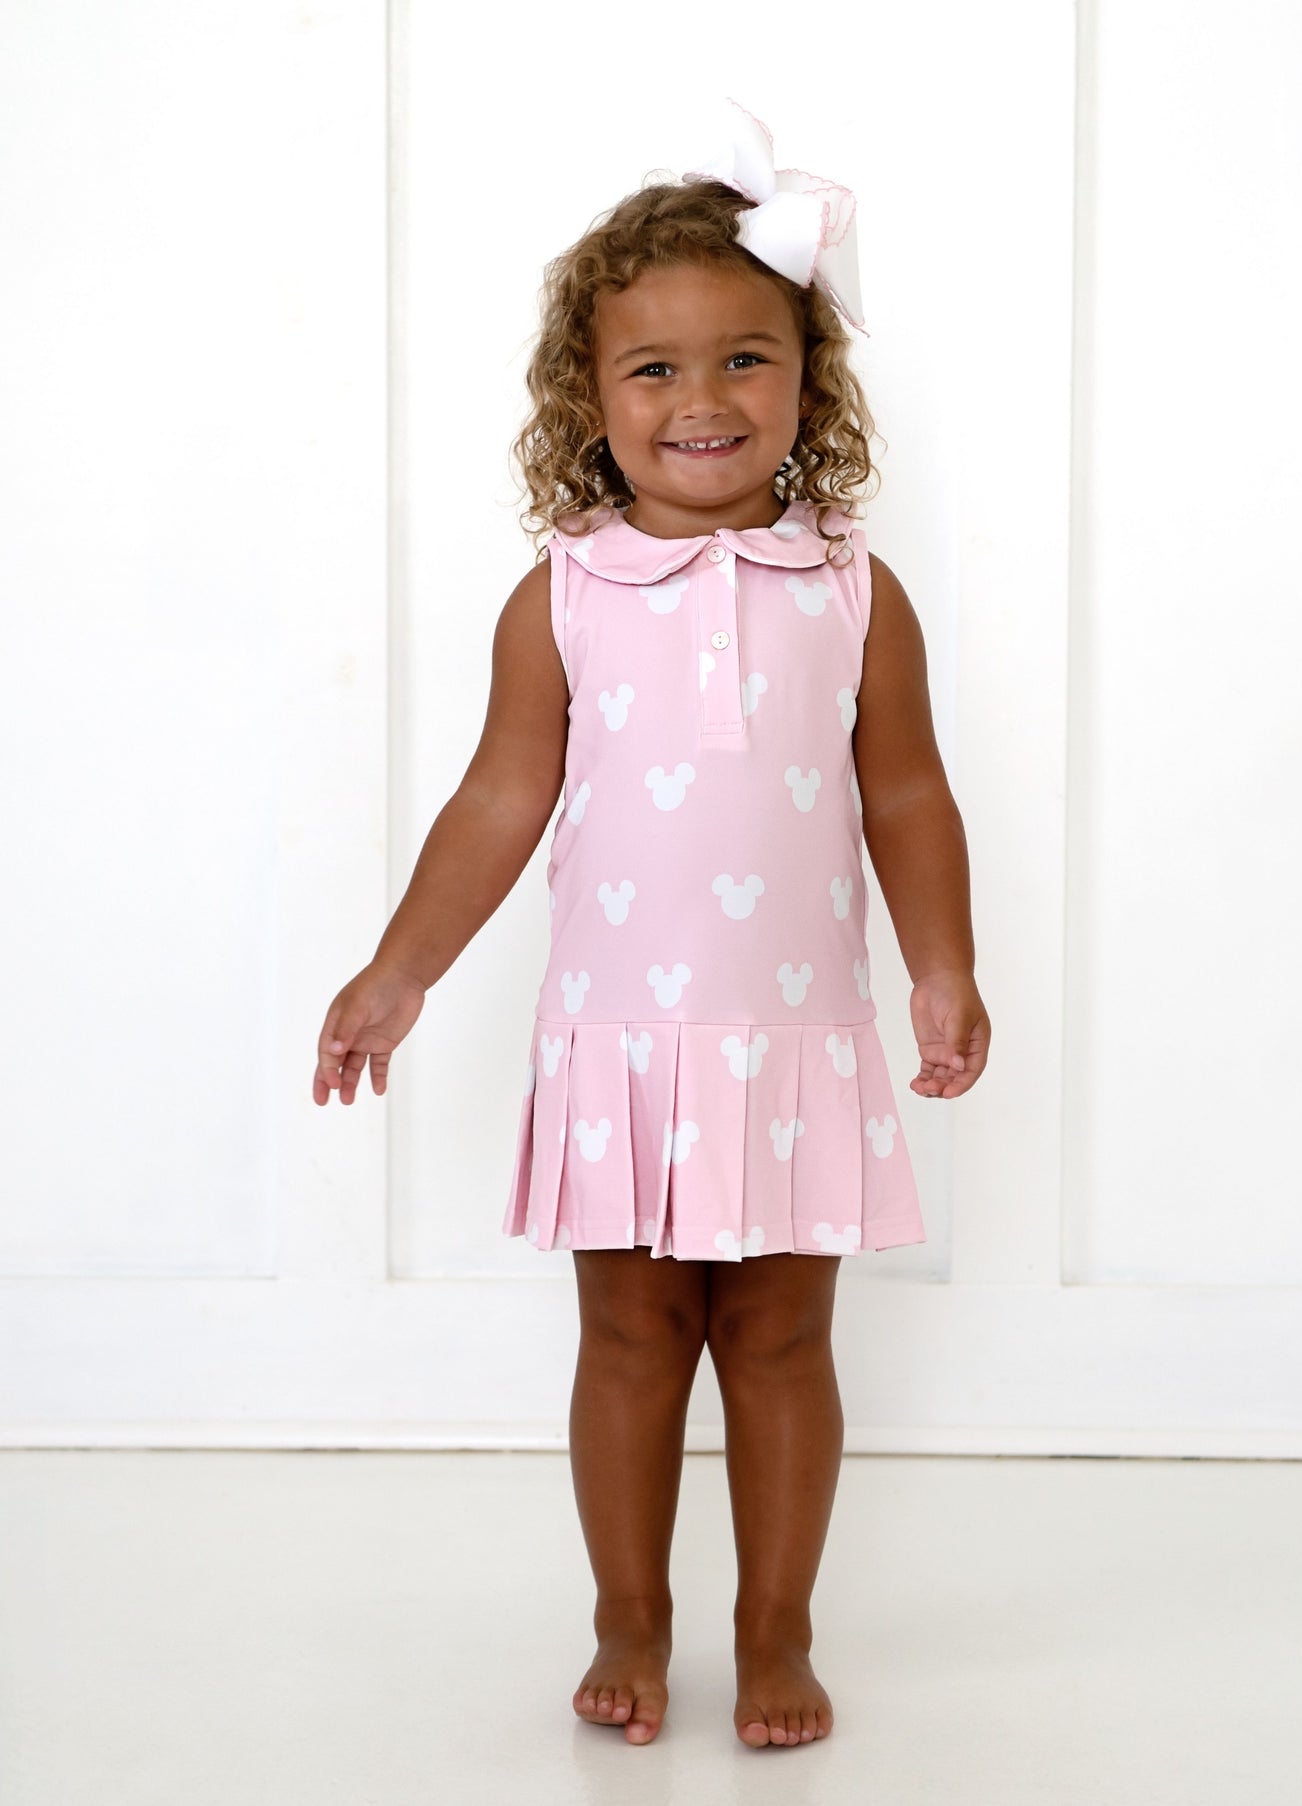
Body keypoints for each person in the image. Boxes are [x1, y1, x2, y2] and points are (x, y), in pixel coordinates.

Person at [313, 105, 989, 1751]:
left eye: (745, 359)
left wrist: (942, 962)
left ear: (807, 383)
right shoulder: (561, 594)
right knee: (629, 1329)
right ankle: (630, 1609)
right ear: (588, 400)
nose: (702, 403)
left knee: (777, 1332)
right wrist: (394, 972)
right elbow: (495, 800)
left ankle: (776, 1623)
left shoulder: (849, 587)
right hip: (619, 1037)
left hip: (788, 1037)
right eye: (654, 372)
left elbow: (903, 793)